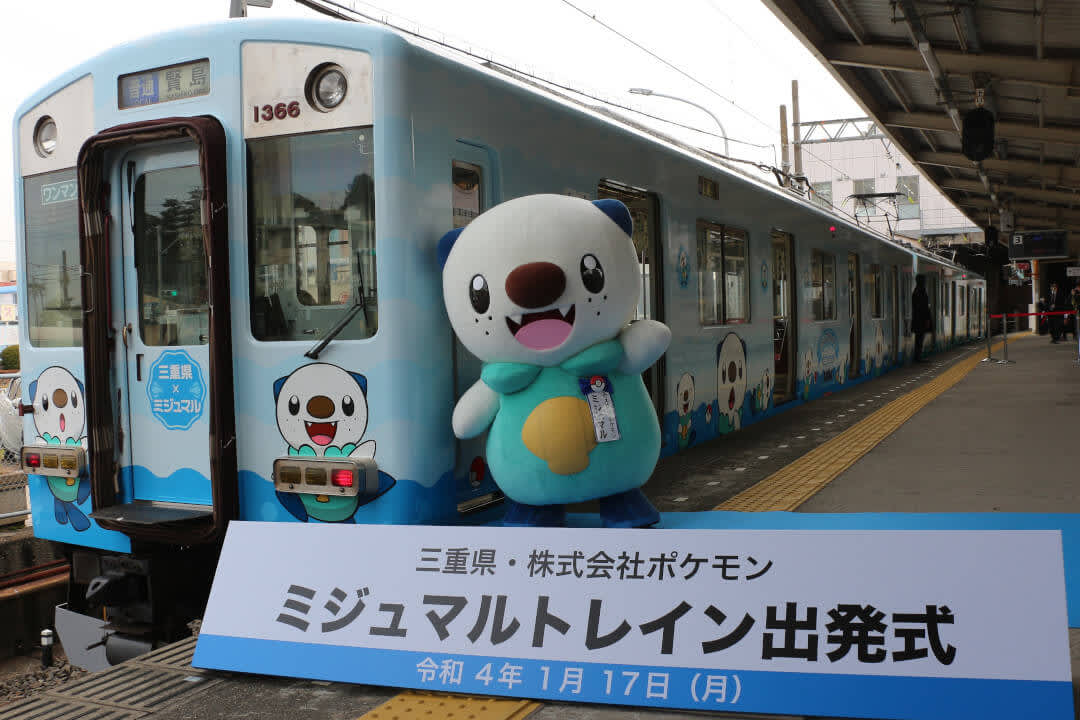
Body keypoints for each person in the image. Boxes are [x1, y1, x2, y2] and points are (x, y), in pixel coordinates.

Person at [911, 274, 931, 362]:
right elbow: (924, 307)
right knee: (920, 338)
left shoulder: (916, 291)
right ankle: (918, 357)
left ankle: (918, 356)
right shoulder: (921, 291)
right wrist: (927, 319)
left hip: (917, 319)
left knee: (918, 338)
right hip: (921, 320)